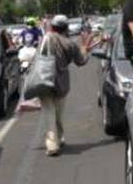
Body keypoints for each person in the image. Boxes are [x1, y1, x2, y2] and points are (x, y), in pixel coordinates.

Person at [40, 14, 94, 156]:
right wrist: (85, 48)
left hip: (44, 81)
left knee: (49, 113)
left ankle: (54, 142)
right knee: (58, 113)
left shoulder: (45, 39)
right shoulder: (70, 44)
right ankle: (56, 141)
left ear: (52, 27)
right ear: (66, 28)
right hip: (61, 84)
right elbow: (81, 61)